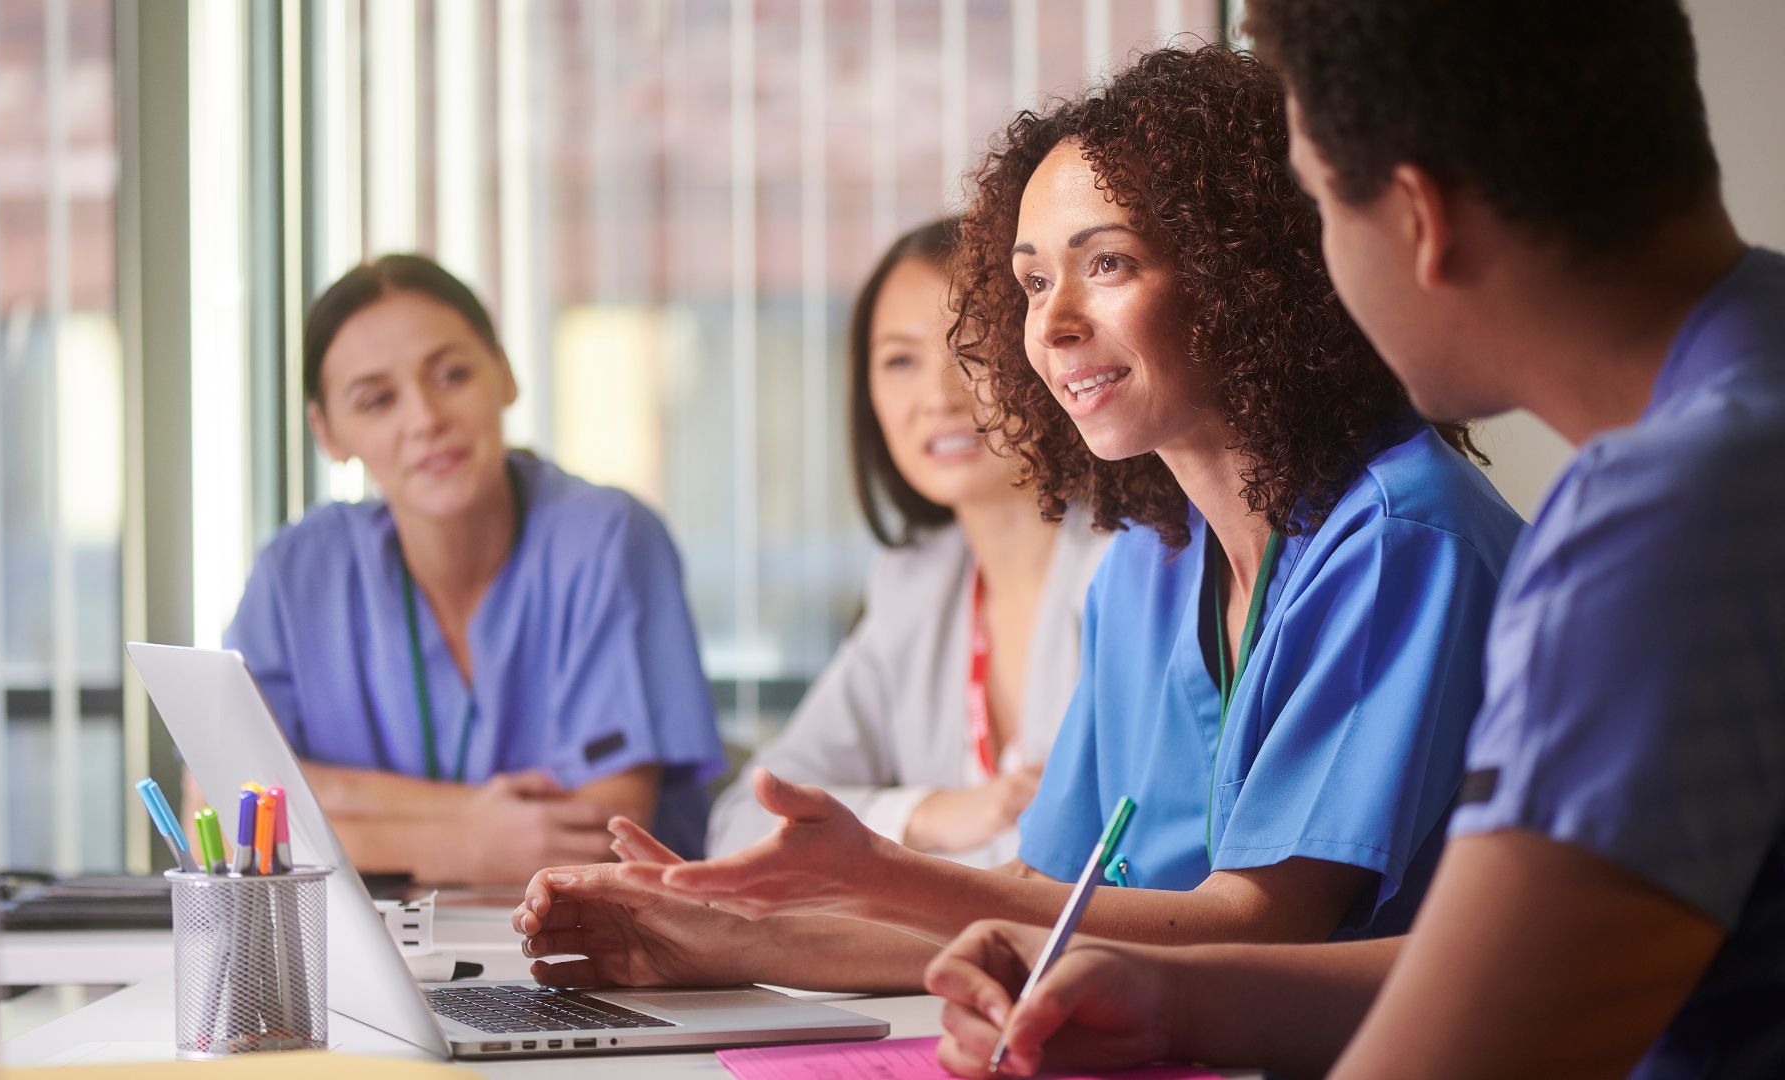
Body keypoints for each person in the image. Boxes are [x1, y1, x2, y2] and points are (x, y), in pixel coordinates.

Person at [512, 45, 1523, 993]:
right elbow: (1051, 895)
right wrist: (726, 940)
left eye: (1108, 263)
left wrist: (883, 872)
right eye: (1033, 280)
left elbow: (1266, 923)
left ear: (1241, 273)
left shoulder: (1400, 537)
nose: (1053, 320)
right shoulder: (1149, 564)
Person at [922, 4, 1784, 1079]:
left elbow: (1500, 1030)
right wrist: (1173, 999)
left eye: (1323, 209)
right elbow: (1525, 961)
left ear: (1420, 218)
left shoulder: (1665, 519)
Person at [223, 254, 726, 886]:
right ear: (329, 435)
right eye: (377, 400)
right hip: (377, 954)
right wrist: (463, 841)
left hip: (595, 960)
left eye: (453, 375)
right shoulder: (296, 576)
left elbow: (600, 836)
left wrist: (328, 800)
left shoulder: (607, 539)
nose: (426, 419)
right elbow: (219, 813)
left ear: (506, 374)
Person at [707, 219, 1110, 868]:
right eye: (900, 361)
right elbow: (746, 817)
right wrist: (926, 815)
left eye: (973, 352)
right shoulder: (917, 582)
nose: (937, 398)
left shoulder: (1133, 564)